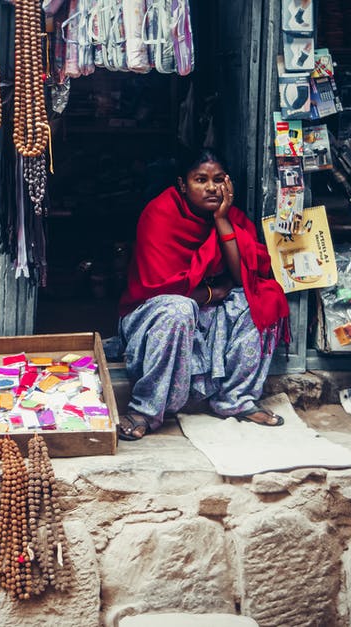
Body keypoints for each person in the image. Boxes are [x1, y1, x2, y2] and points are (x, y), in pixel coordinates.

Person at [115, 149, 289, 440]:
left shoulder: (229, 215)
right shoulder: (160, 213)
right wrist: (211, 293)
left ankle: (234, 399)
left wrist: (221, 219)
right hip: (153, 313)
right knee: (178, 309)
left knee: (263, 298)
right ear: (183, 185)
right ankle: (145, 409)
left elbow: (240, 275)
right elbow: (159, 287)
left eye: (218, 179)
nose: (211, 187)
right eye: (201, 179)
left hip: (206, 306)